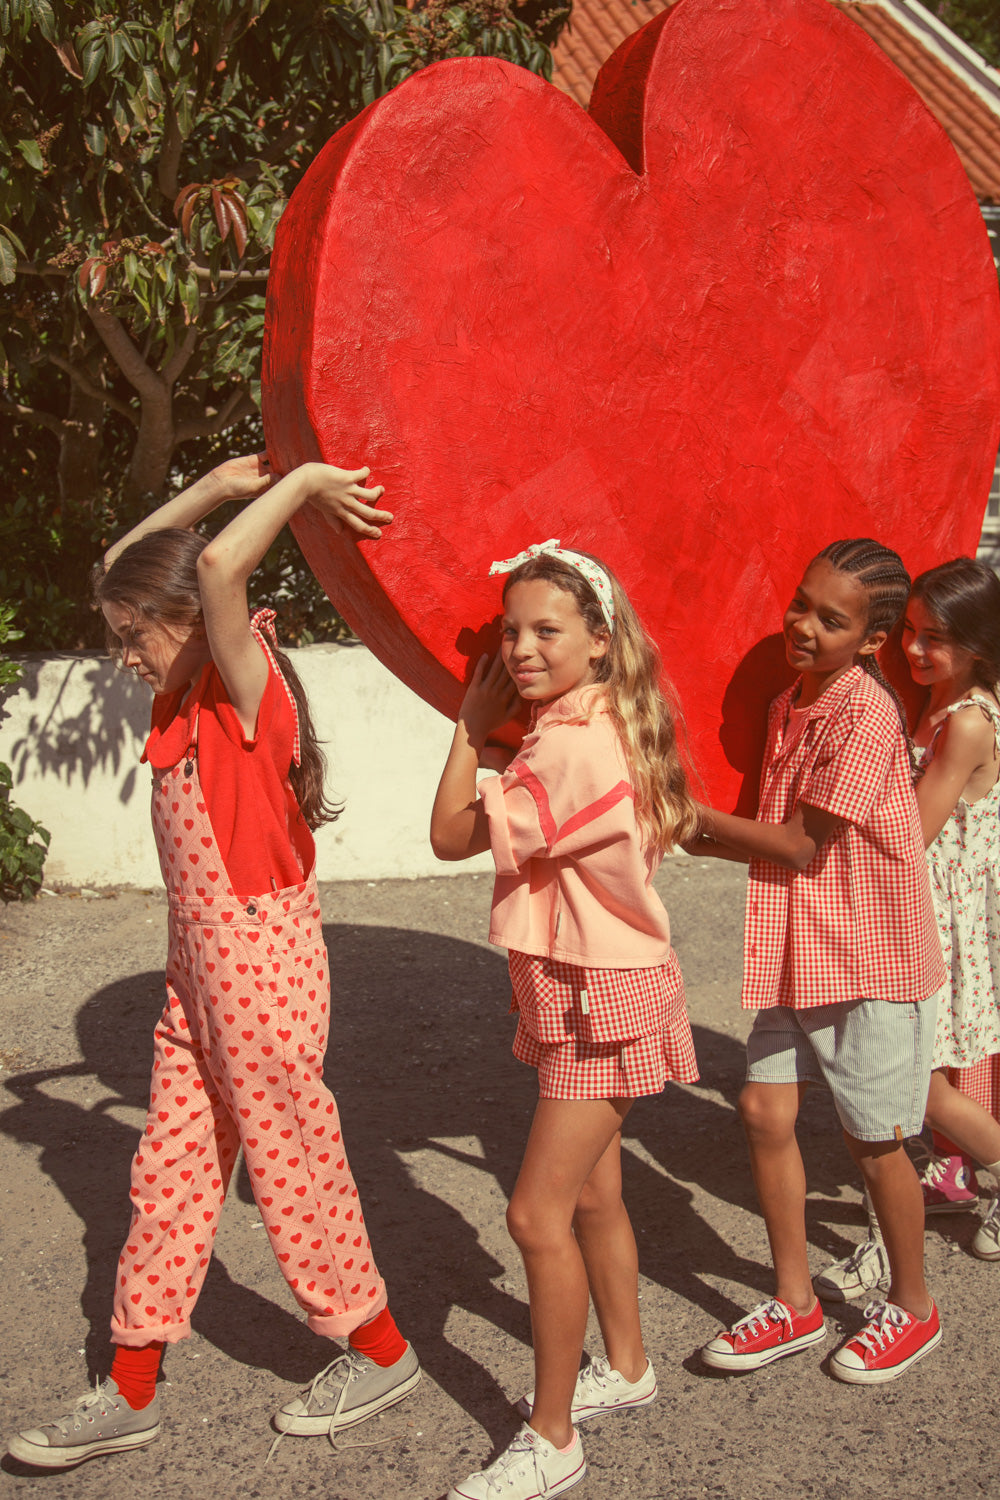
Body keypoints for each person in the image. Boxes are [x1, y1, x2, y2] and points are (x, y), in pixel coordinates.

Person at [6, 455, 420, 1469]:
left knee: (291, 1162)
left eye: (134, 636)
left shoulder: (245, 685)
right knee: (169, 1168)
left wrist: (305, 481)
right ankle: (131, 1385)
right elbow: (122, 562)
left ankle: (380, 1350)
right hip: (196, 972)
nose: (124, 657)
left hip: (262, 964)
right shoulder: (180, 686)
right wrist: (216, 485)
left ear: (190, 619)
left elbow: (222, 569)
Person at [431, 540, 700, 1500]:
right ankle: (625, 1367)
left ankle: (552, 1440)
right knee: (593, 1198)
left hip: (599, 995)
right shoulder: (588, 721)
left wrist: (469, 729)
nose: (521, 649)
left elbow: (449, 834)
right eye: (512, 631)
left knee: (534, 1213)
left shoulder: (570, 747)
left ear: (599, 639)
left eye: (546, 630)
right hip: (594, 982)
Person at [695, 538, 945, 1385]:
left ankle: (913, 1307)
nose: (802, 625)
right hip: (799, 948)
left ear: (871, 641)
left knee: (876, 1144)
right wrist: (699, 835)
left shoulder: (867, 716)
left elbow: (802, 844)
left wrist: (694, 823)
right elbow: (781, 839)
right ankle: (796, 1302)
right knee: (763, 1114)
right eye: (801, 603)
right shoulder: (787, 702)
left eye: (830, 621)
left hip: (867, 957)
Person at [816, 557, 1000, 1301]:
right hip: (917, 911)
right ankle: (902, 1222)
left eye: (937, 639)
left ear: (980, 644)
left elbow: (910, 834)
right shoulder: (934, 702)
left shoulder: (967, 722)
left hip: (933, 922)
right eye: (912, 631)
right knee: (904, 1081)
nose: (916, 649)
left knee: (909, 1083)